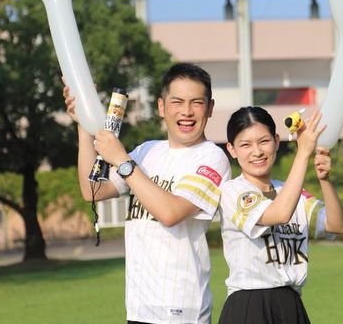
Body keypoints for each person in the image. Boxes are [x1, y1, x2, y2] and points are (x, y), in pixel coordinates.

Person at [63, 63, 231, 324]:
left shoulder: (212, 158)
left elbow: (170, 213)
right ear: (161, 107)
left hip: (180, 309)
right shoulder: (147, 151)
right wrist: (85, 126)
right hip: (139, 306)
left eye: (196, 103)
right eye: (177, 102)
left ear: (210, 108)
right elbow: (93, 190)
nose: (187, 112)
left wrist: (122, 160)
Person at [218, 106, 343, 324]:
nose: (257, 152)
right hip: (248, 305)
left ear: (277, 141)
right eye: (245, 145)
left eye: (264, 141)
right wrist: (303, 153)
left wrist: (325, 180)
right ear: (232, 149)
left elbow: (336, 225)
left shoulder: (292, 192)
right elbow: (279, 214)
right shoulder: (233, 191)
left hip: (290, 304)